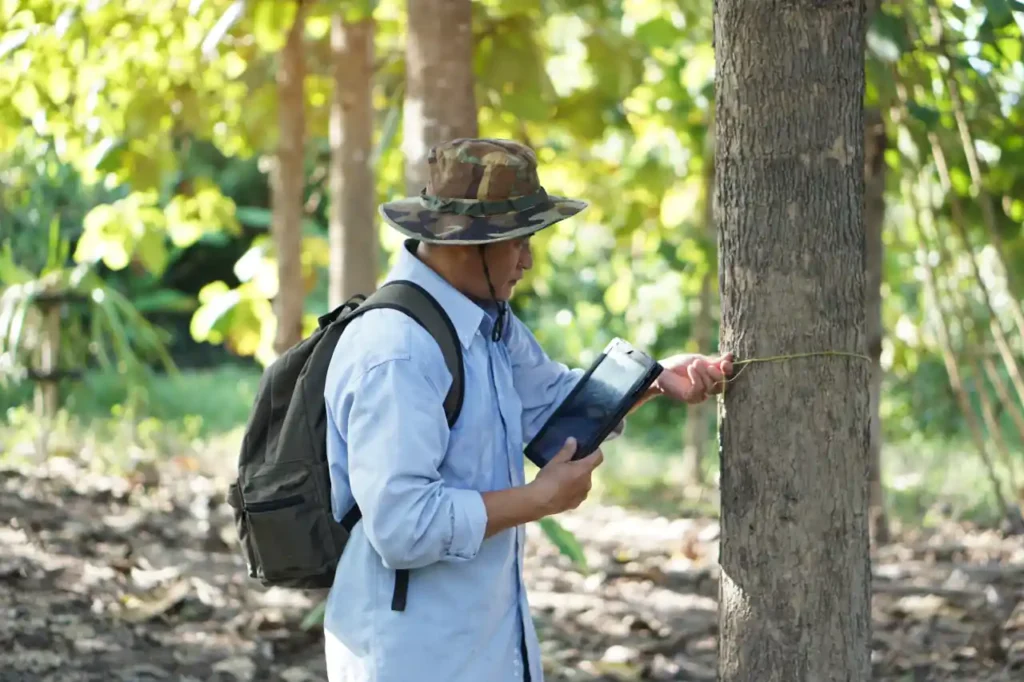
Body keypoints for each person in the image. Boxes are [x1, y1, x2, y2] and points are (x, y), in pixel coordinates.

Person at [321, 138, 732, 682]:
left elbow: (547, 409)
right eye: (518, 242)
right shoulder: (397, 350)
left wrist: (653, 381)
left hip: (484, 642)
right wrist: (540, 499)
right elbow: (402, 526)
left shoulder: (487, 320)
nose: (528, 261)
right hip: (412, 655)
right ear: (467, 242)